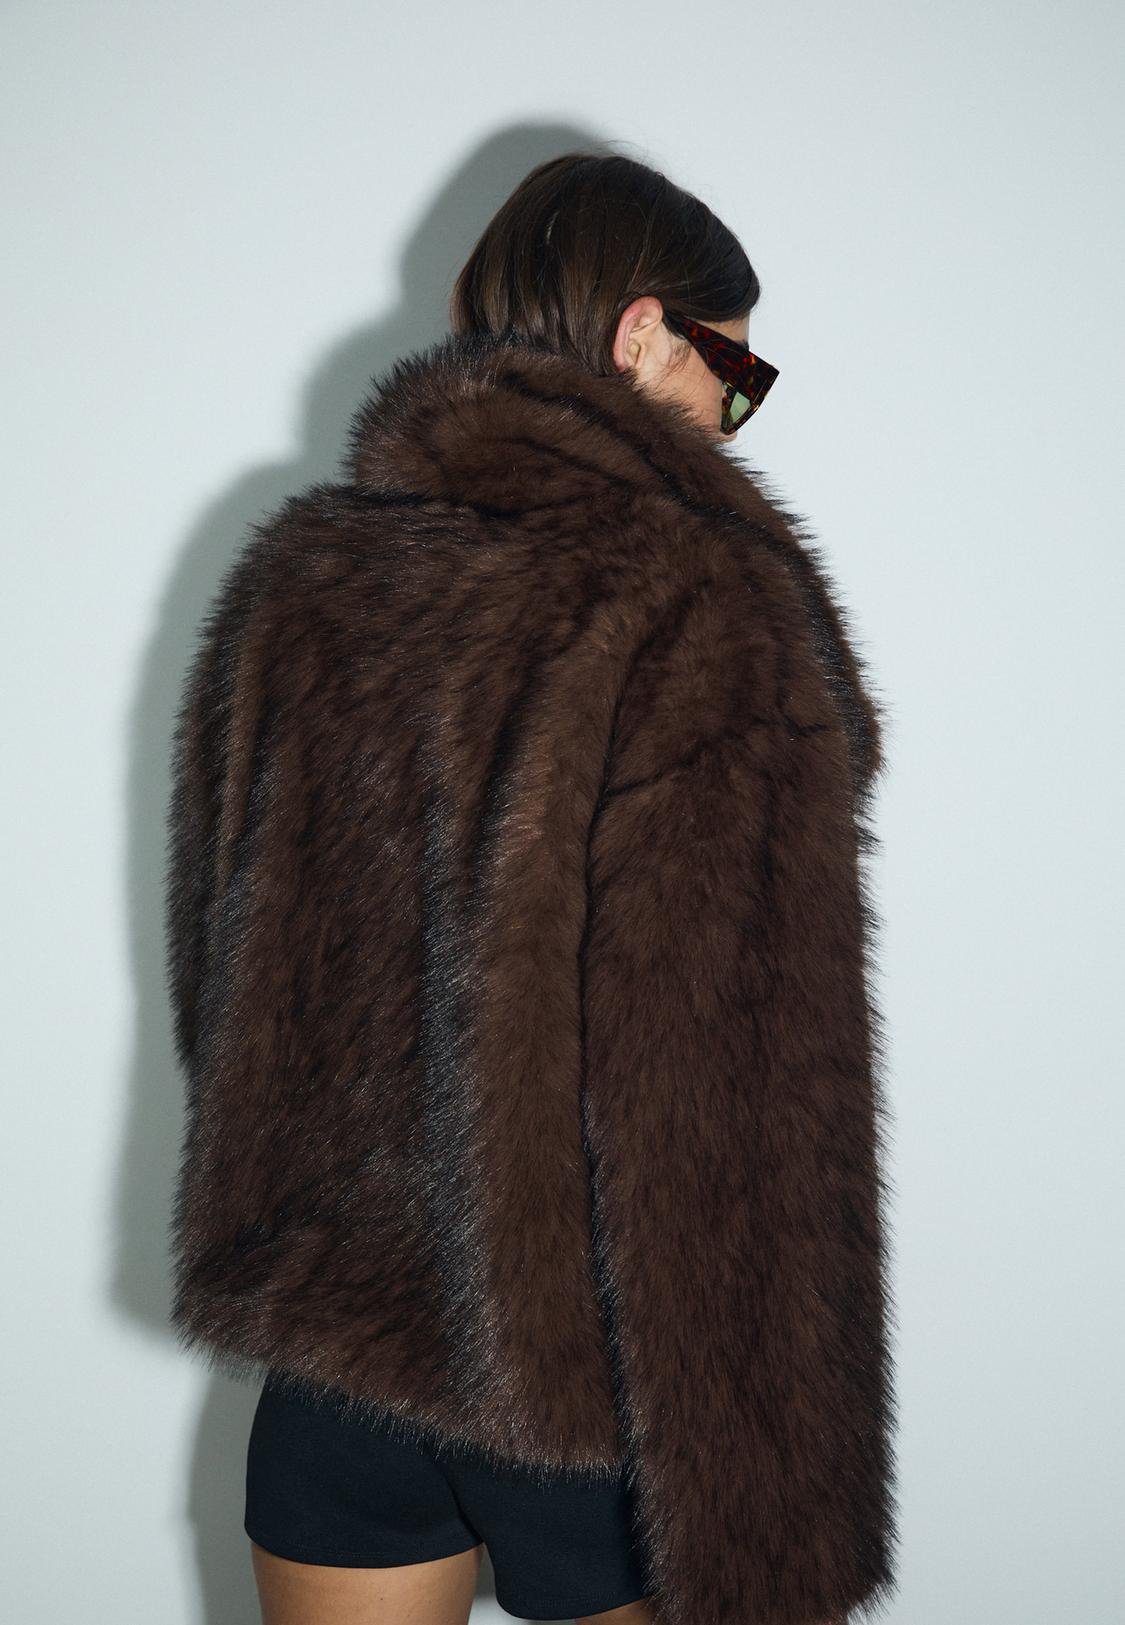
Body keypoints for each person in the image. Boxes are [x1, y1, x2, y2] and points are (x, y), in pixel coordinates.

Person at [164, 150, 899, 1625]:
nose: (733, 423)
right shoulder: (696, 603)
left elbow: (220, 985)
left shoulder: (303, 578)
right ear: (641, 336)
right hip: (596, 1391)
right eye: (733, 377)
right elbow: (734, 1086)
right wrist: (763, 1473)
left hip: (340, 1365)